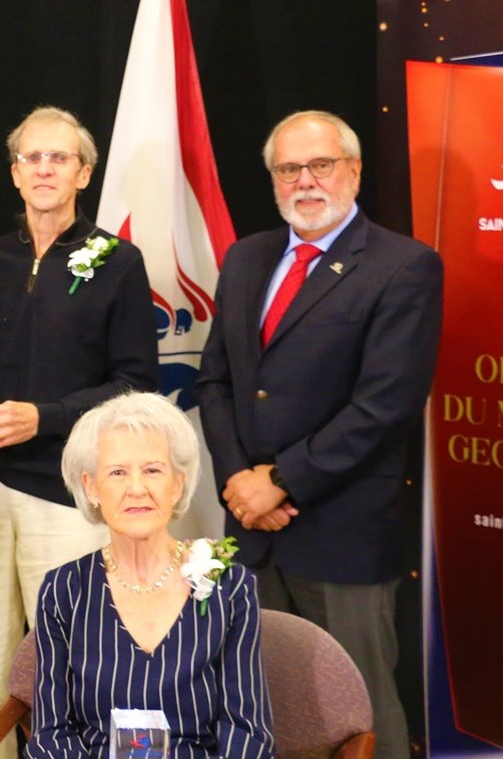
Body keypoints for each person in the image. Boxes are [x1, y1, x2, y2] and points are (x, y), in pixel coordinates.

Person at [196, 110, 443, 759]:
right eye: (288, 168)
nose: (304, 180)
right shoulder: (246, 257)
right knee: (260, 706)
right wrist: (238, 482)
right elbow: (216, 380)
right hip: (251, 533)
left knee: (359, 716)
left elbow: (385, 405)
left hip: (343, 535)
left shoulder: (404, 266)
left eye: (320, 164)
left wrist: (279, 481)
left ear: (353, 170)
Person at [0, 105, 158, 758]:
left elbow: (135, 384)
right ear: (15, 172)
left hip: (64, 490)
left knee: (68, 662)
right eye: (33, 157)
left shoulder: (118, 262)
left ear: (84, 173)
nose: (45, 168)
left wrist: (44, 415)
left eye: (60, 157)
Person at [27, 391, 274, 758]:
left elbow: (248, 733)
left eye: (153, 470)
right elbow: (51, 734)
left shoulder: (230, 587)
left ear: (178, 484)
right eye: (117, 472)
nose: (137, 489)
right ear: (91, 487)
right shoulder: (64, 590)